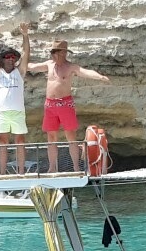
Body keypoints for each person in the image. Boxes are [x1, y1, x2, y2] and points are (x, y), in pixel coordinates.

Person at [30, 39, 110, 173]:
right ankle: (52, 167)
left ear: (64, 53)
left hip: (65, 104)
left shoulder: (70, 67)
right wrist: (19, 64)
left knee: (70, 137)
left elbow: (85, 72)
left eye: (56, 53)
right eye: (53, 53)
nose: (54, 56)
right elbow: (32, 66)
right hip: (50, 105)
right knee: (51, 137)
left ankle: (76, 167)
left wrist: (100, 77)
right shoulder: (49, 64)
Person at [0, 22, 30, 174]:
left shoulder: (19, 72)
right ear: (1, 60)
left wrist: (25, 35)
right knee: (3, 142)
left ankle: (21, 172)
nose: (10, 59)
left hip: (18, 112)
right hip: (2, 113)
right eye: (7, 57)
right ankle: (2, 173)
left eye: (12, 57)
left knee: (20, 141)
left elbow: (26, 53)